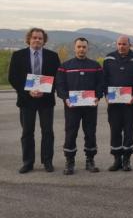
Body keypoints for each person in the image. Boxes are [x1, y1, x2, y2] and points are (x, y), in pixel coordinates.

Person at [8, 28, 61, 173]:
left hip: (46, 100)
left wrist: (45, 90)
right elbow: (13, 78)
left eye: (40, 38)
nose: (37, 40)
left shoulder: (52, 56)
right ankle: (28, 162)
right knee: (27, 132)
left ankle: (47, 161)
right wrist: (28, 91)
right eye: (34, 38)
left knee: (48, 132)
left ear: (44, 41)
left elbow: (58, 78)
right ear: (29, 39)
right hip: (26, 100)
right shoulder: (18, 55)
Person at [55, 37, 104, 175]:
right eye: (79, 47)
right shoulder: (65, 66)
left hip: (90, 106)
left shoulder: (95, 66)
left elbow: (101, 83)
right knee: (71, 133)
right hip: (72, 107)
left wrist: (97, 97)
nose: (81, 49)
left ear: (88, 48)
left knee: (90, 133)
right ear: (74, 48)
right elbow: (60, 85)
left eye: (84, 47)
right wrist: (65, 98)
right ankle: (69, 162)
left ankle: (90, 160)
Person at [103, 35, 133, 172]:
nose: (122, 46)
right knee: (115, 131)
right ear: (116, 44)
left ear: (130, 45)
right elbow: (104, 79)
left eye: (124, 44)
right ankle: (117, 160)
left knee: (128, 131)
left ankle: (127, 160)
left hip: (130, 103)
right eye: (119, 44)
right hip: (114, 103)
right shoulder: (108, 58)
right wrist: (106, 95)